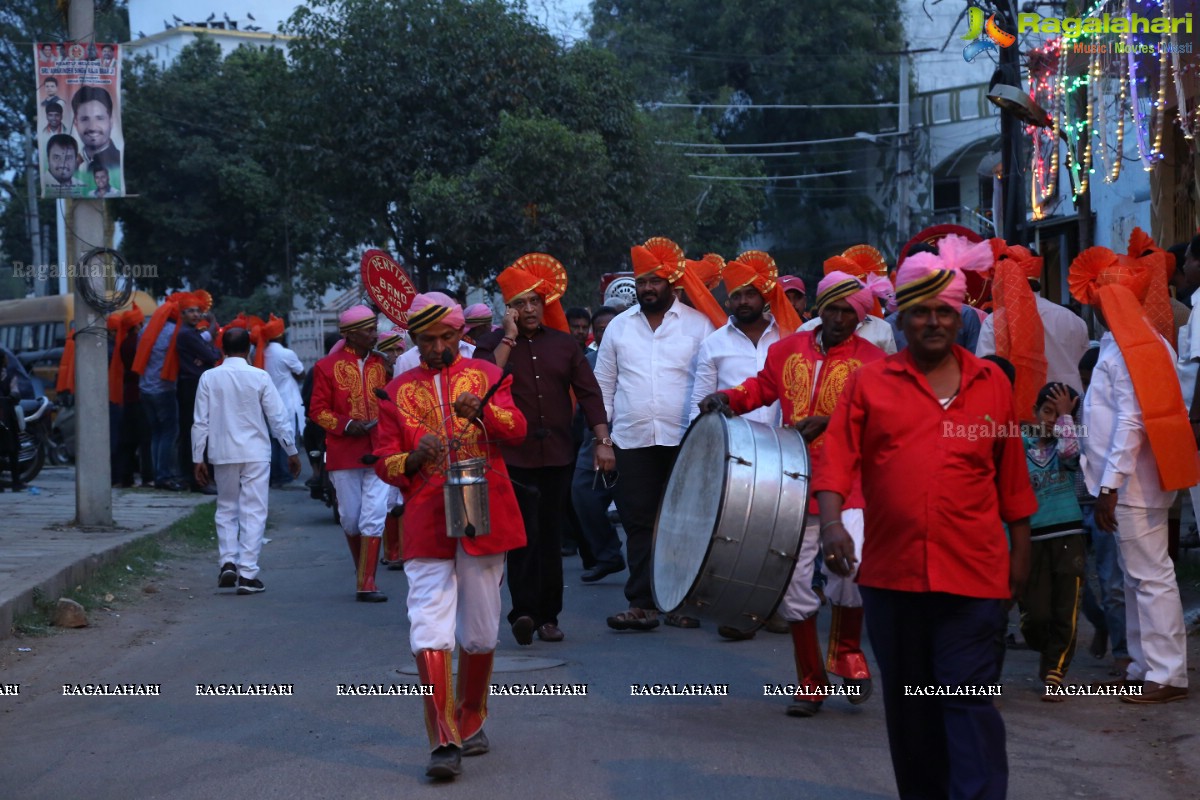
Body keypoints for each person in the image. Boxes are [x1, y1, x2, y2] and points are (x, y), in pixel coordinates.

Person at [814, 240, 1036, 799]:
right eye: (921, 311)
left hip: (975, 574)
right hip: (893, 578)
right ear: (902, 318)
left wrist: (1022, 552)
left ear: (959, 316)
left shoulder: (993, 383)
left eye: (944, 311)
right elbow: (838, 455)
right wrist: (833, 524)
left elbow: (1012, 476)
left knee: (967, 699)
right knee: (912, 709)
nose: (934, 321)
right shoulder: (870, 383)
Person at [700, 270, 888, 711]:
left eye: (849, 312)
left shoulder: (876, 363)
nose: (840, 318)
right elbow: (761, 389)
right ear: (818, 310)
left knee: (851, 572)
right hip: (792, 480)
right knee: (793, 585)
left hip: (850, 486)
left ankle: (846, 650)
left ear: (860, 318)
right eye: (833, 309)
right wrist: (727, 398)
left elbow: (883, 425)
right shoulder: (785, 351)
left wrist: (833, 423)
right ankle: (810, 680)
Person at [372, 292, 527, 780]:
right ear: (413, 339)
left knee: (480, 632)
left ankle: (470, 718)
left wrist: (481, 413)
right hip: (423, 518)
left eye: (445, 337)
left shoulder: (484, 375)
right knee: (429, 627)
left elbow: (517, 429)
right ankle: (443, 739)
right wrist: (413, 460)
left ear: (462, 334)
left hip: (484, 510)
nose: (436, 347)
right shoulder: (396, 392)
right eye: (426, 339)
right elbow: (383, 460)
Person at [1070, 246, 1196, 704]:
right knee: (1139, 575)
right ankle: (1146, 666)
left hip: (1131, 483)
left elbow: (1131, 420)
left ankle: (1166, 673)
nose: (1096, 307)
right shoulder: (1123, 342)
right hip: (1131, 481)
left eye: (1101, 300)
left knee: (1150, 575)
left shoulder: (1132, 346)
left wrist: (1110, 484)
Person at [473, 256, 611, 644]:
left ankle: (549, 616)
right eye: (521, 303)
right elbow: (484, 384)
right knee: (520, 537)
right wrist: (508, 336)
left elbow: (589, 394)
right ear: (508, 309)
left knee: (550, 536)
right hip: (510, 457)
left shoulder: (565, 345)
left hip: (558, 456)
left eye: (535, 301)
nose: (530, 309)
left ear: (544, 304)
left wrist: (603, 442)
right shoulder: (489, 345)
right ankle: (524, 613)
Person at [594, 237, 716, 631]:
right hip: (631, 441)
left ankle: (683, 601)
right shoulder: (617, 329)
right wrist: (603, 441)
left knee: (685, 522)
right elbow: (604, 387)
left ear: (673, 283)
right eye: (642, 281)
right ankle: (642, 603)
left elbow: (709, 383)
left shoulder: (699, 327)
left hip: (685, 440)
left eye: (655, 281)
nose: (648, 288)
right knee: (638, 522)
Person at [192, 327, 300, 595]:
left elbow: (200, 421)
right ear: (249, 349)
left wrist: (198, 457)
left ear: (222, 350)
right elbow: (278, 417)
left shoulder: (209, 377)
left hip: (222, 451)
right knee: (253, 510)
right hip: (255, 453)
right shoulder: (259, 376)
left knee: (226, 507)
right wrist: (291, 450)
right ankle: (248, 573)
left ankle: (227, 561)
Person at [308, 305, 390, 602]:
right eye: (367, 330)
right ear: (349, 334)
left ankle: (367, 582)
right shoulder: (325, 367)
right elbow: (317, 411)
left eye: (374, 328)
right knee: (351, 519)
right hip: (344, 451)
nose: (374, 334)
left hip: (380, 448)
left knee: (374, 515)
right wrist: (349, 425)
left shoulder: (384, 365)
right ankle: (363, 575)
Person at [1019, 383, 1086, 700]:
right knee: (1037, 615)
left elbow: (1069, 452)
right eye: (1046, 411)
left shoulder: (1070, 444)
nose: (1051, 420)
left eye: (1058, 415)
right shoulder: (1020, 444)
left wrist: (1065, 418)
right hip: (1031, 538)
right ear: (1034, 412)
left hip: (1067, 535)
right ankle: (1040, 645)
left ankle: (1054, 671)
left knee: (1065, 608)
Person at [976, 243, 1090, 394]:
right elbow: (1084, 369)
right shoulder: (1073, 320)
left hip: (1021, 410)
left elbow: (986, 375)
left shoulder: (995, 323)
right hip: (1071, 407)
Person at [571, 306, 625, 582]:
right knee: (583, 496)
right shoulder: (587, 362)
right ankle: (608, 555)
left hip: (630, 441)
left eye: (611, 326)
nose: (606, 332)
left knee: (634, 507)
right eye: (600, 328)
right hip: (593, 441)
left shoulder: (633, 354)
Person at [132, 292, 191, 491]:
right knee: (168, 433)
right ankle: (164, 475)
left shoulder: (145, 330)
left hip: (145, 388)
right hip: (163, 388)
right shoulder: (173, 332)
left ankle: (158, 474)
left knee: (156, 433)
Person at [175, 294, 220, 494]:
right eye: (190, 311)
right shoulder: (186, 334)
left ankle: (197, 478)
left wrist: (208, 355)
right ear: (182, 315)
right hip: (191, 386)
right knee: (197, 432)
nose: (194, 315)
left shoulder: (191, 333)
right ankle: (198, 480)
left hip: (195, 385)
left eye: (196, 311)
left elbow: (212, 354)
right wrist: (207, 356)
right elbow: (212, 355)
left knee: (199, 431)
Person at [259, 316, 306, 487]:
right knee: (287, 437)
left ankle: (275, 475)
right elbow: (301, 373)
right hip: (287, 400)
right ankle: (285, 476)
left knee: (273, 439)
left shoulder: (262, 353)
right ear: (280, 335)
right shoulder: (286, 353)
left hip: (269, 400)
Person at [70, 86, 120, 170]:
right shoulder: (68, 163)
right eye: (85, 119)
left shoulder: (120, 162)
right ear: (76, 122)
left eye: (100, 118)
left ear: (111, 121)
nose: (92, 127)